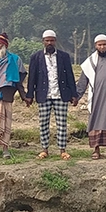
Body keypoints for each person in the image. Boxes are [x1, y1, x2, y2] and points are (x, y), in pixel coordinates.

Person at [25, 29, 77, 160]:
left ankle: (62, 150)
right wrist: (29, 95)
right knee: (43, 123)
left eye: (52, 40)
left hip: (61, 94)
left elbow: (70, 75)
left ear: (55, 41)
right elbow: (32, 78)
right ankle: (44, 150)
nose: (49, 43)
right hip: (43, 94)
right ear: (43, 42)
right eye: (47, 40)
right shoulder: (36, 57)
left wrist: (74, 94)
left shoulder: (64, 56)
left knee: (62, 123)